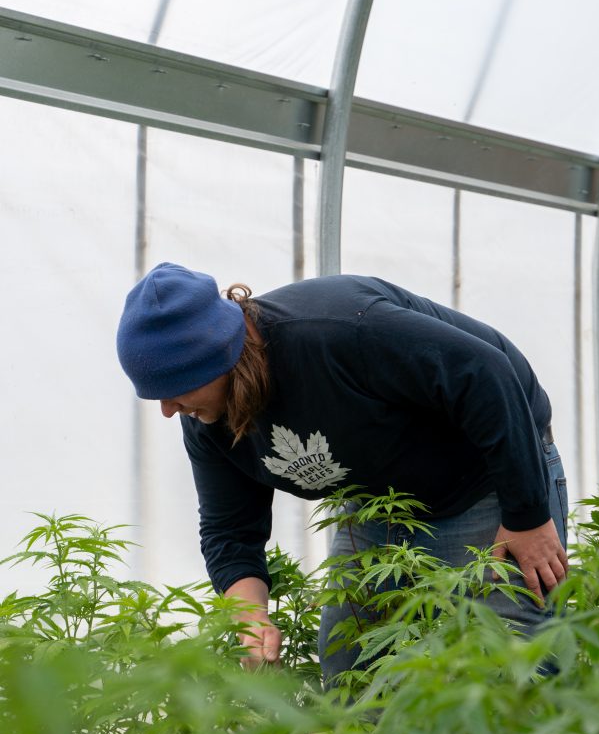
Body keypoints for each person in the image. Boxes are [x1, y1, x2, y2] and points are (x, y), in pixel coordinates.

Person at [117, 262, 568, 684]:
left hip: (487, 480)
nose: (168, 411)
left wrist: (527, 517)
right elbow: (229, 529)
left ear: (220, 356)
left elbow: (486, 371)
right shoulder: (208, 419)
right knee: (350, 659)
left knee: (508, 662)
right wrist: (251, 619)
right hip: (378, 500)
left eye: (176, 390)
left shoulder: (340, 330)